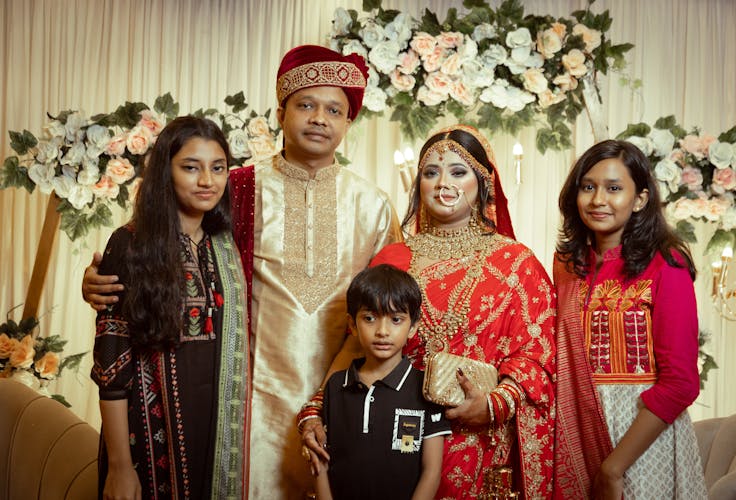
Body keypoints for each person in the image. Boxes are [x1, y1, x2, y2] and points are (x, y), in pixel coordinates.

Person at [84, 45, 401, 498]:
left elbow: (393, 303)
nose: (319, 118)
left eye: (335, 109)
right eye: (306, 104)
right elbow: (160, 250)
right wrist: (99, 282)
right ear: (281, 112)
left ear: (349, 122)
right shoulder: (235, 187)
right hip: (241, 404)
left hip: (340, 400)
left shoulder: (374, 205)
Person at [302, 125, 556, 499]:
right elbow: (356, 348)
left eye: (458, 172)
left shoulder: (517, 263)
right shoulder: (393, 257)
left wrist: (492, 404)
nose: (442, 184)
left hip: (479, 444)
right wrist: (314, 410)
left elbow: (538, 358)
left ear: (483, 181)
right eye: (431, 173)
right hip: (396, 438)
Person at [90, 116, 250, 499]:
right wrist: (119, 466)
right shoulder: (130, 245)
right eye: (190, 168)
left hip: (214, 433)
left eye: (218, 168)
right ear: (166, 172)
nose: (207, 181)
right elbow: (112, 369)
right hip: (146, 440)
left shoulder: (226, 247)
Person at [552, 139, 708, 499]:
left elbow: (681, 383)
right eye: (588, 187)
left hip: (642, 440)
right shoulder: (566, 266)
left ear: (640, 199)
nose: (597, 200)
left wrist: (614, 467)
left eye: (614, 188)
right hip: (575, 432)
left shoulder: (666, 264)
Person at [313, 264, 450, 500]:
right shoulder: (336, 386)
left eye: (396, 319)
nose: (382, 331)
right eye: (369, 318)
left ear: (413, 327)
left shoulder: (426, 389)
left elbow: (432, 472)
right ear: (352, 325)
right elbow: (319, 463)